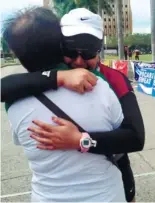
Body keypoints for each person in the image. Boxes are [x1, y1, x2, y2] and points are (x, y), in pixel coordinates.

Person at [1, 7, 145, 202]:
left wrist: (80, 140)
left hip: (116, 165)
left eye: (88, 51)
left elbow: (135, 137)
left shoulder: (111, 80)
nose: (79, 61)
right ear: (59, 46)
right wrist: (58, 77)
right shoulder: (40, 82)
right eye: (71, 50)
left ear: (99, 48)